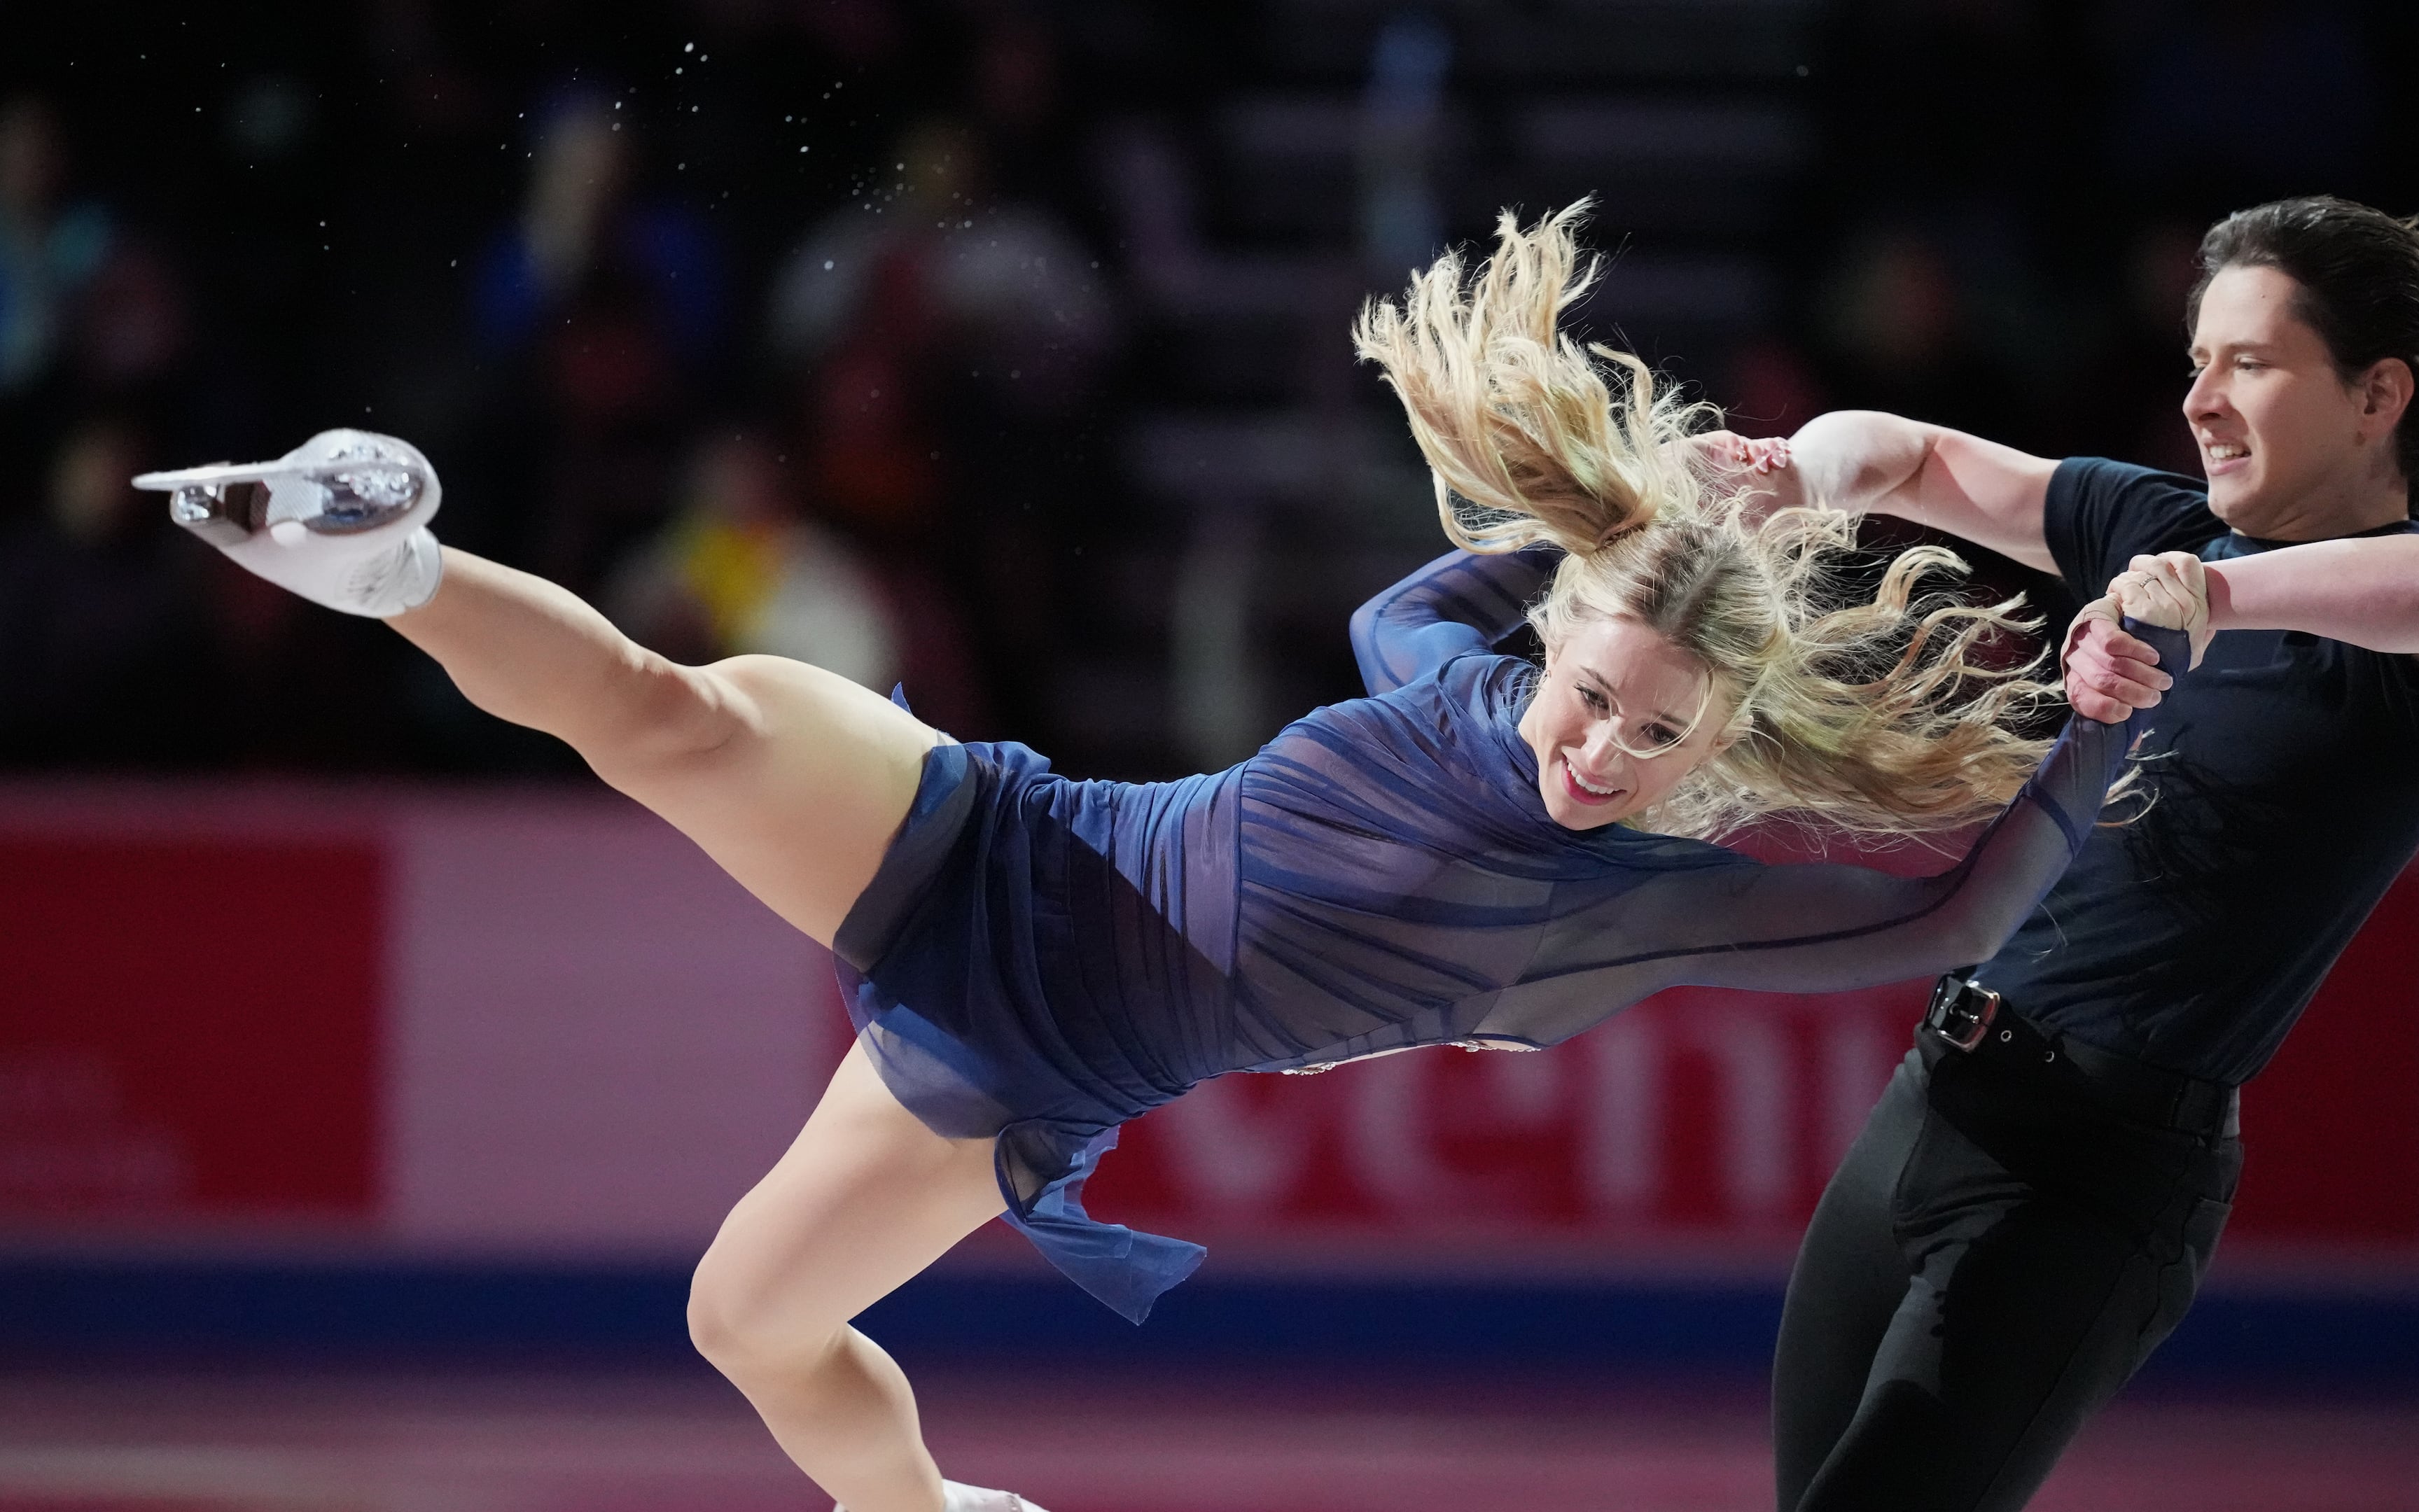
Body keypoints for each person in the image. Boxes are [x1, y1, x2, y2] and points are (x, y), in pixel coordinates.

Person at [134, 207, 2199, 1512]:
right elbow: (1519, 571)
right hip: (990, 834)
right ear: (1558, 635)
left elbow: (1938, 918)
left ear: (1714, 748)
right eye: (1593, 692)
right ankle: (374, 548)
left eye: (1662, 737)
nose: (1604, 748)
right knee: (665, 713)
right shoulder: (1438, 646)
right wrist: (1659, 501)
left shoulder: (1638, 896)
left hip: (1025, 1062)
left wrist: (2097, 745)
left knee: (746, 1328)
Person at [1708, 195, 2419, 1511]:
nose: (2200, 397)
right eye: (2196, 358)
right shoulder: (2157, 526)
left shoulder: (2415, 645)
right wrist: (1792, 472)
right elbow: (1909, 457)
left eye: (2248, 362)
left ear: (2379, 395)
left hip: (2092, 1182)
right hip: (1935, 1098)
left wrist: (2211, 593)